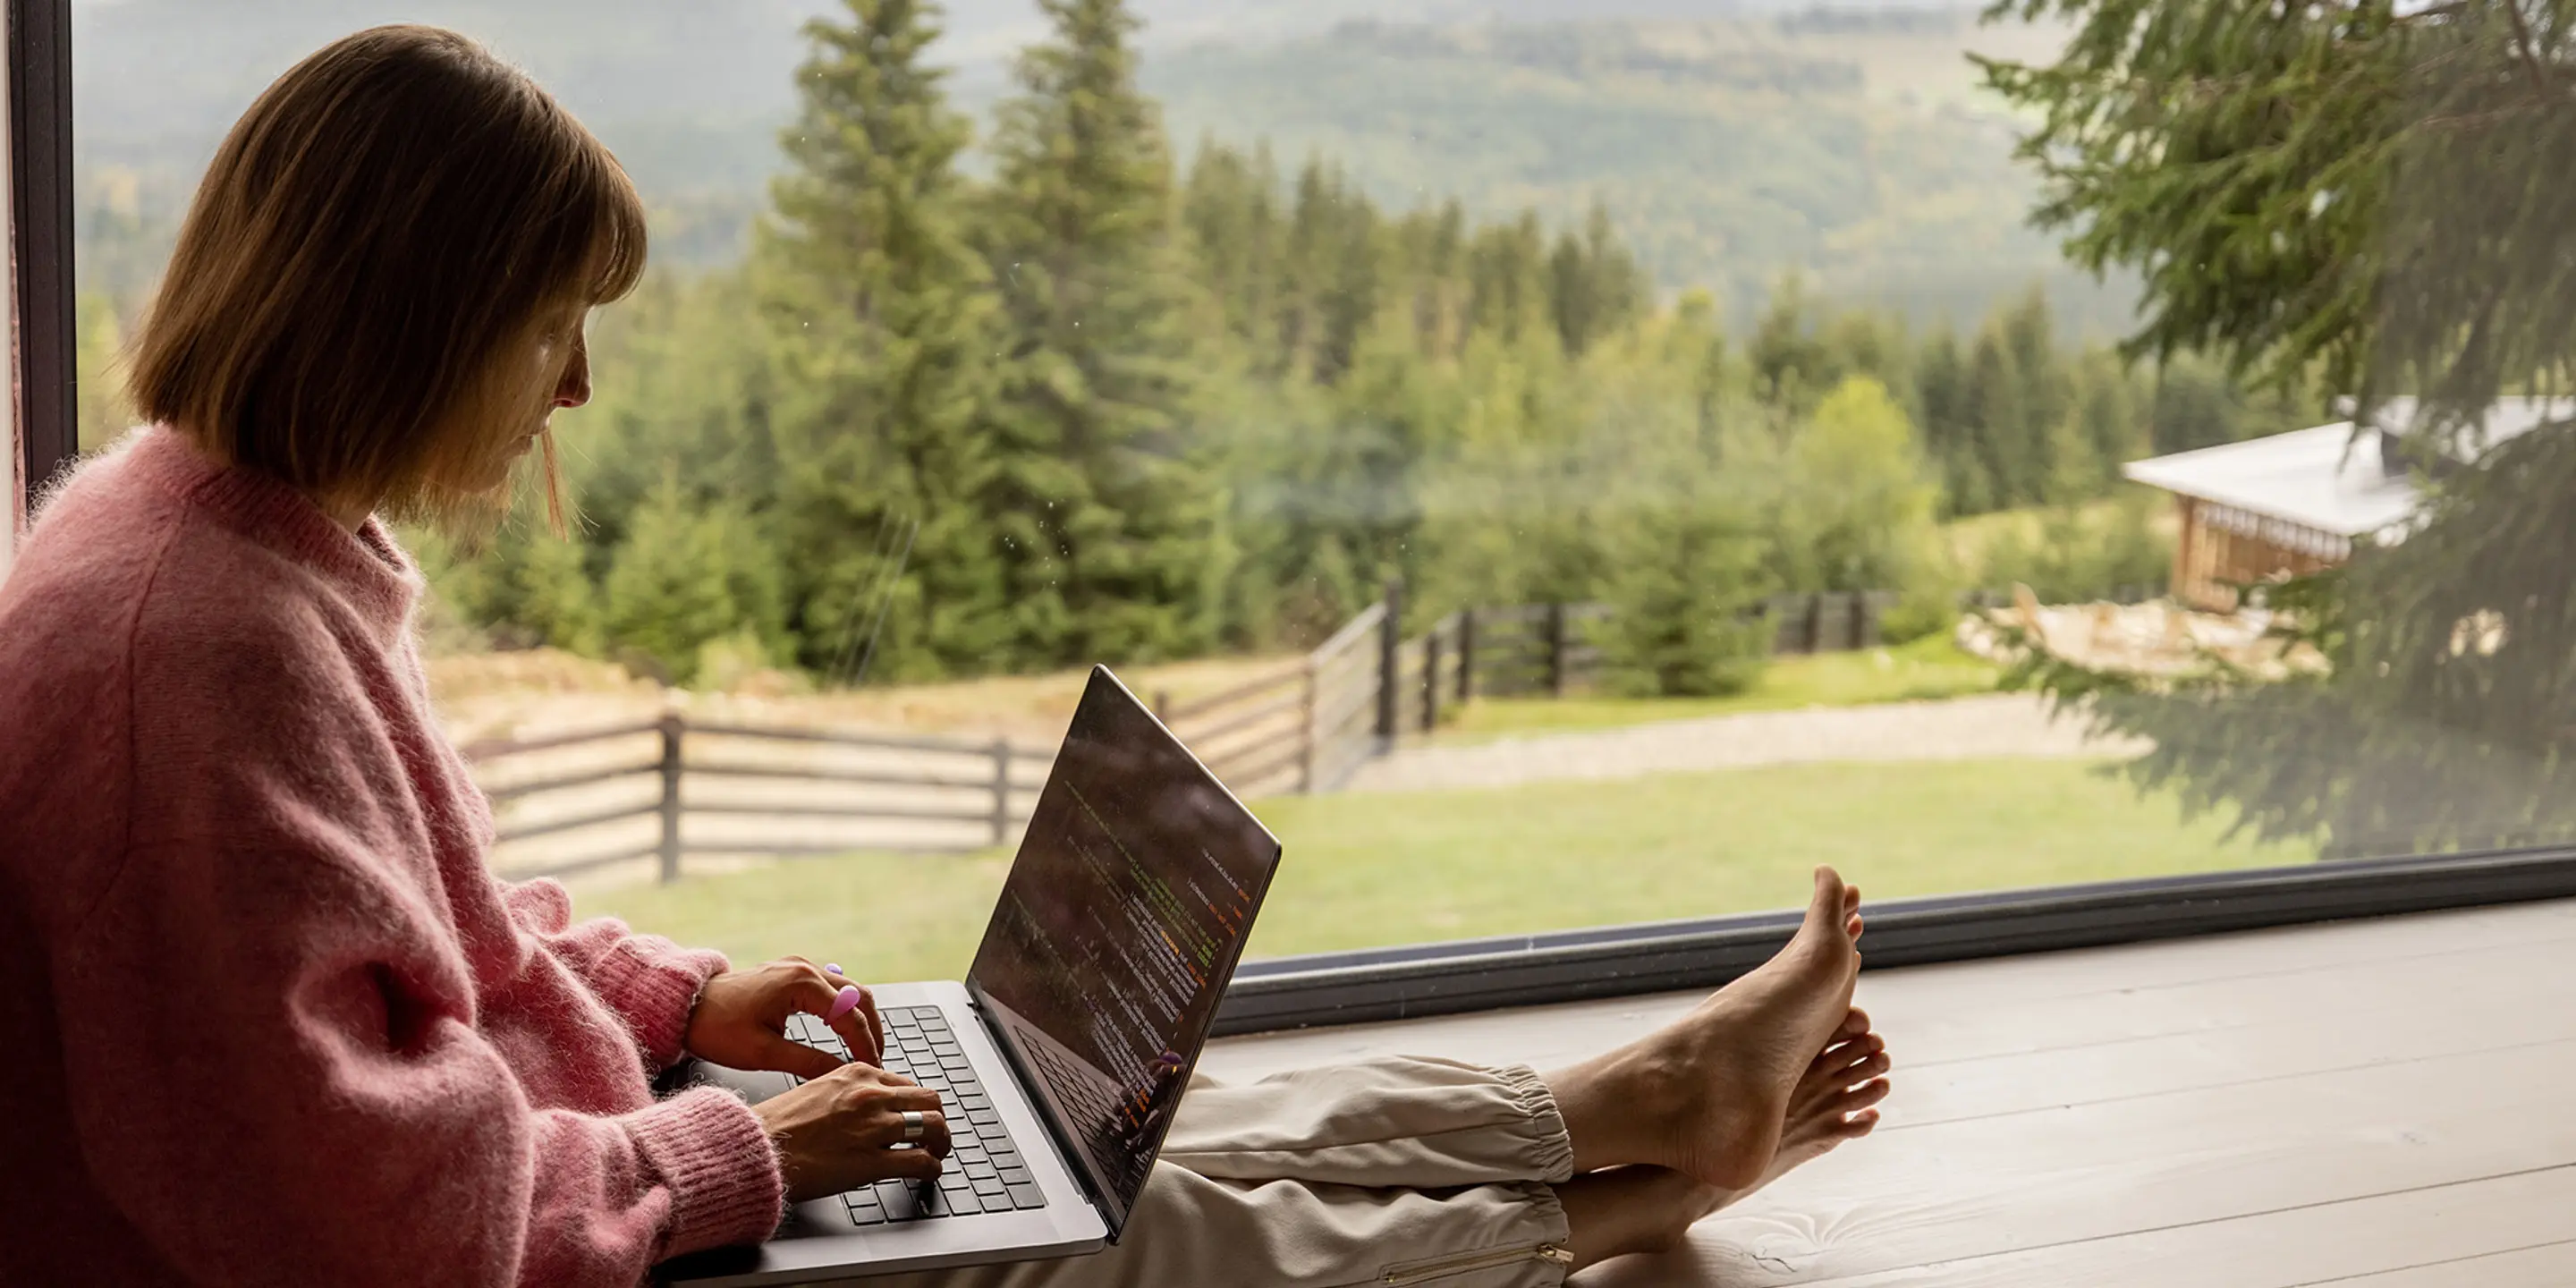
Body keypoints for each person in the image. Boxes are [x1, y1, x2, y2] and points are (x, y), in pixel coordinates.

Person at [0, 26, 1891, 1288]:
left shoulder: (225, 540)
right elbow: (354, 1227)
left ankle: (1617, 1112)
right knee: (1091, 1242)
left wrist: (682, 1000)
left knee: (1070, 1114)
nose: (575, 386)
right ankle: (1621, 1204)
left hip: (560, 1152)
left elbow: (433, 947)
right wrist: (746, 1164)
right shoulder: (203, 659)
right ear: (413, 315)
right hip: (519, 1236)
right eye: (552, 324)